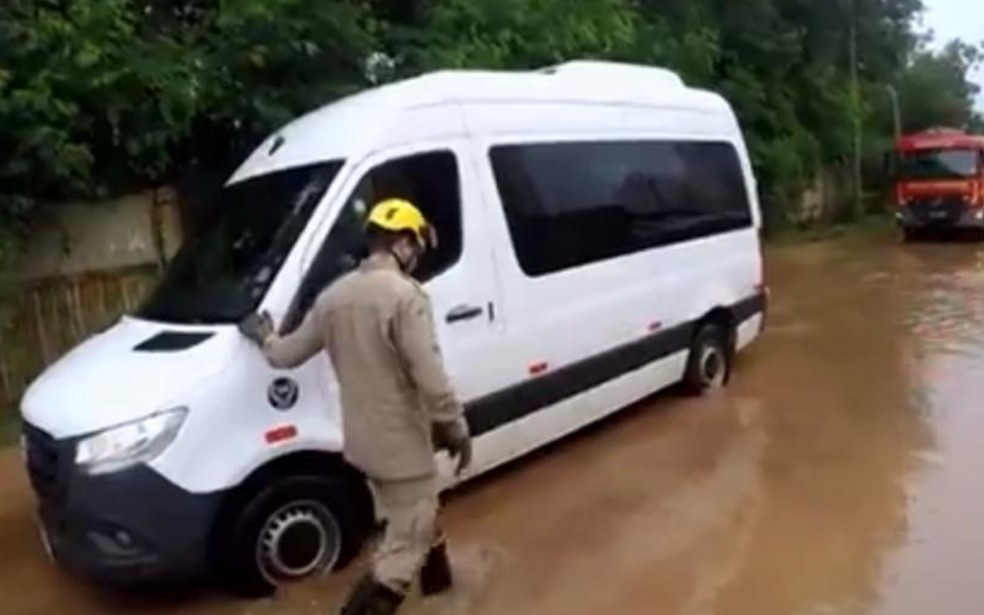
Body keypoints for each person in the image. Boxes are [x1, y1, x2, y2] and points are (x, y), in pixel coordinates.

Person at [238, 198, 472, 615]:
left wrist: (266, 338)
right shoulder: (405, 297)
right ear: (402, 244)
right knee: (405, 545)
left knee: (412, 514)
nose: (416, 258)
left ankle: (439, 586)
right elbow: (431, 378)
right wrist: (455, 428)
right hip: (402, 446)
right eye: (416, 247)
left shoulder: (333, 297)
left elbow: (286, 355)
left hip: (362, 444)